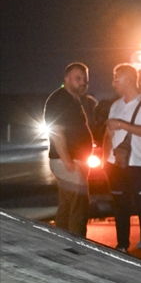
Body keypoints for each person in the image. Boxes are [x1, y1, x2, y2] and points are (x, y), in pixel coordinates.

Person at [104, 63, 141, 260]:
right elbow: (108, 134)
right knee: (120, 207)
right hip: (116, 165)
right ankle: (122, 246)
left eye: (116, 79)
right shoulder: (115, 105)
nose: (113, 84)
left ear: (128, 80)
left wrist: (121, 124)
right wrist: (105, 159)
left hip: (140, 164)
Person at [44, 62, 93, 236]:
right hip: (67, 162)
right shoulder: (60, 99)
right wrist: (68, 162)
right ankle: (76, 247)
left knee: (66, 206)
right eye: (78, 78)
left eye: (85, 79)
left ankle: (61, 244)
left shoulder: (74, 99)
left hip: (71, 161)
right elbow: (57, 130)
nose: (83, 82)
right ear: (67, 79)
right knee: (79, 208)